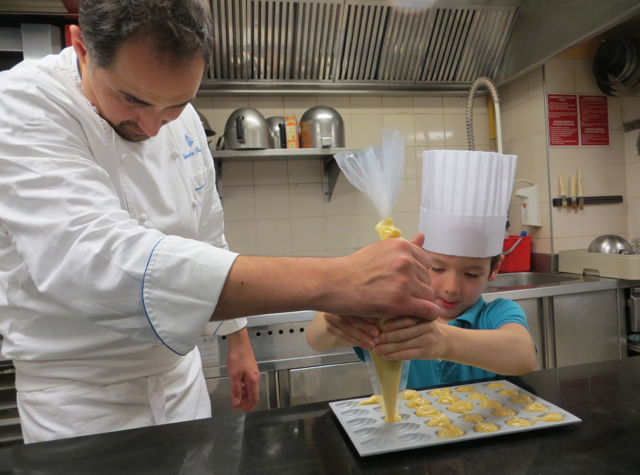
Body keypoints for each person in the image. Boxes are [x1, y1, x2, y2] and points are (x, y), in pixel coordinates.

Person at [0, 0, 439, 443]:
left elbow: (208, 230)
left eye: (176, 103)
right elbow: (98, 263)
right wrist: (340, 278)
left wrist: (239, 340)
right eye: (131, 98)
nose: (153, 126)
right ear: (81, 47)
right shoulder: (25, 105)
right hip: (81, 403)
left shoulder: (185, 121)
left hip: (181, 379)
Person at [307, 150, 537, 388]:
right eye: (437, 268)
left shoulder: (496, 314)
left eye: (471, 273)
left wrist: (443, 341)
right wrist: (338, 311)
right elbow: (317, 340)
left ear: (494, 268)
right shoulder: (396, 317)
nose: (451, 288)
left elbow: (523, 356)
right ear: (416, 259)